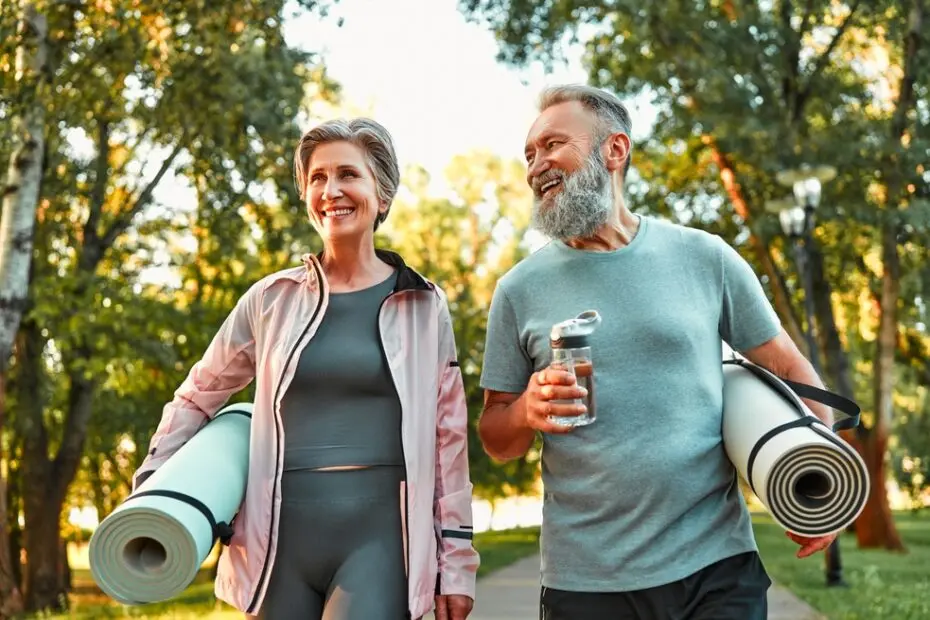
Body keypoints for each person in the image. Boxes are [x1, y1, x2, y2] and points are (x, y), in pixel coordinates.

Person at [477, 84, 836, 620]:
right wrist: (527, 409)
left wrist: (819, 479)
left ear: (614, 150)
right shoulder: (518, 290)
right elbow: (495, 437)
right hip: (588, 580)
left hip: (717, 565)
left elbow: (787, 366)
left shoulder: (704, 256)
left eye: (552, 145)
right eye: (529, 155)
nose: (536, 166)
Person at [131, 118, 478, 620]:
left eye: (347, 175)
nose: (330, 190)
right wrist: (153, 486)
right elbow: (198, 394)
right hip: (277, 545)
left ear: (381, 193)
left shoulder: (422, 304)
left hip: (380, 541)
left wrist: (458, 563)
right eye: (317, 178)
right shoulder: (270, 299)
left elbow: (449, 440)